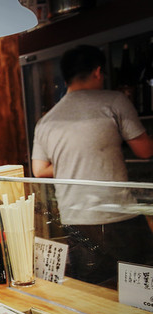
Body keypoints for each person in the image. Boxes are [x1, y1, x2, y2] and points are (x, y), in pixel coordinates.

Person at [32, 44, 153, 285]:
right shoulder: (114, 101)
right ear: (98, 72)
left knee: (97, 292)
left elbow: (39, 170)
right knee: (138, 289)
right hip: (117, 218)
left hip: (76, 223)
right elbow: (145, 150)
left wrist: (73, 160)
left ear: (66, 78)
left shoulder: (46, 121)